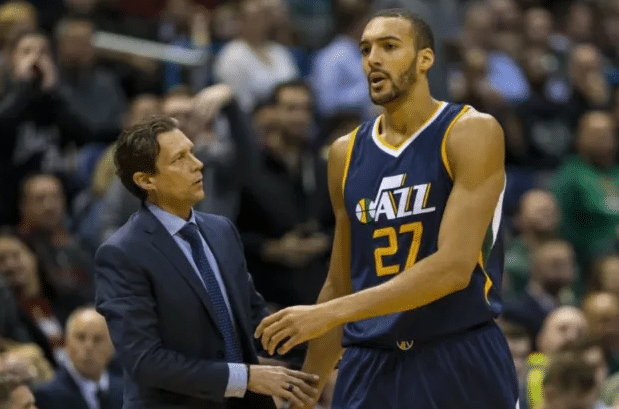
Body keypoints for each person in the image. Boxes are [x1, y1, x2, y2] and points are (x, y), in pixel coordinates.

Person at [255, 9, 519, 409]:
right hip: (370, 361)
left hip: (457, 350)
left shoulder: (470, 131)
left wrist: (328, 314)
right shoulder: (344, 153)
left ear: (425, 59)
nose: (373, 59)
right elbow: (341, 281)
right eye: (365, 50)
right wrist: (305, 393)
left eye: (389, 47)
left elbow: (452, 269)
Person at [94, 116, 319, 409]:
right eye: (179, 159)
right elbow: (145, 361)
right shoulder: (122, 253)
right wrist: (244, 378)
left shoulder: (221, 230)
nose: (197, 164)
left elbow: (255, 321)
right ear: (146, 180)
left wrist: (326, 344)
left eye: (192, 151)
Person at [34, 306, 123, 409]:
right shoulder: (48, 395)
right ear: (67, 343)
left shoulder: (127, 391)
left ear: (112, 347)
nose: (88, 347)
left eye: (97, 339)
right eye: (80, 337)